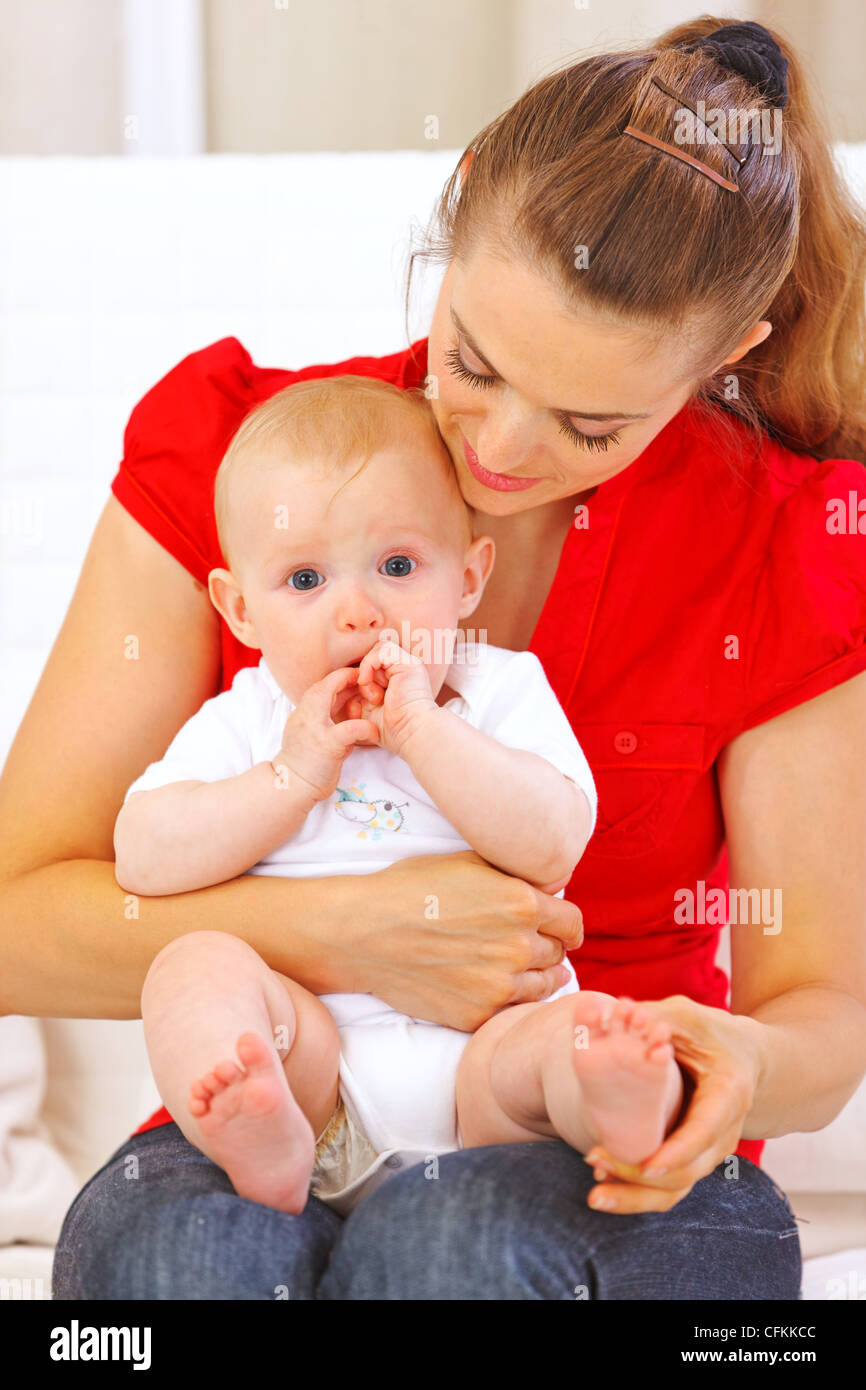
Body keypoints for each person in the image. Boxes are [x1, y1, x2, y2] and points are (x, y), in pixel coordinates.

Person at [2, 15, 860, 1298]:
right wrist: (358, 931)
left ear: (722, 358)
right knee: (171, 1259)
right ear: (455, 207)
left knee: (443, 1249)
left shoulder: (786, 544)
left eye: (590, 423)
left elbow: (820, 1012)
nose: (503, 450)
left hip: (567, 1117)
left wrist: (729, 1063)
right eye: (474, 360)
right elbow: (19, 919)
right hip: (284, 1086)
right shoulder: (235, 464)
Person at [116, 373, 685, 1219]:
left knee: (575, 1030)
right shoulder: (248, 719)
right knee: (191, 968)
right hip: (313, 1074)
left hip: (482, 1078)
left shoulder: (496, 693)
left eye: (397, 565)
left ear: (467, 579)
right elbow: (144, 854)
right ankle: (254, 1128)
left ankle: (613, 1099)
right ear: (239, 611)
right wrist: (290, 776)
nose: (359, 613)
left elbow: (555, 840)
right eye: (305, 580)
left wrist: (427, 732)